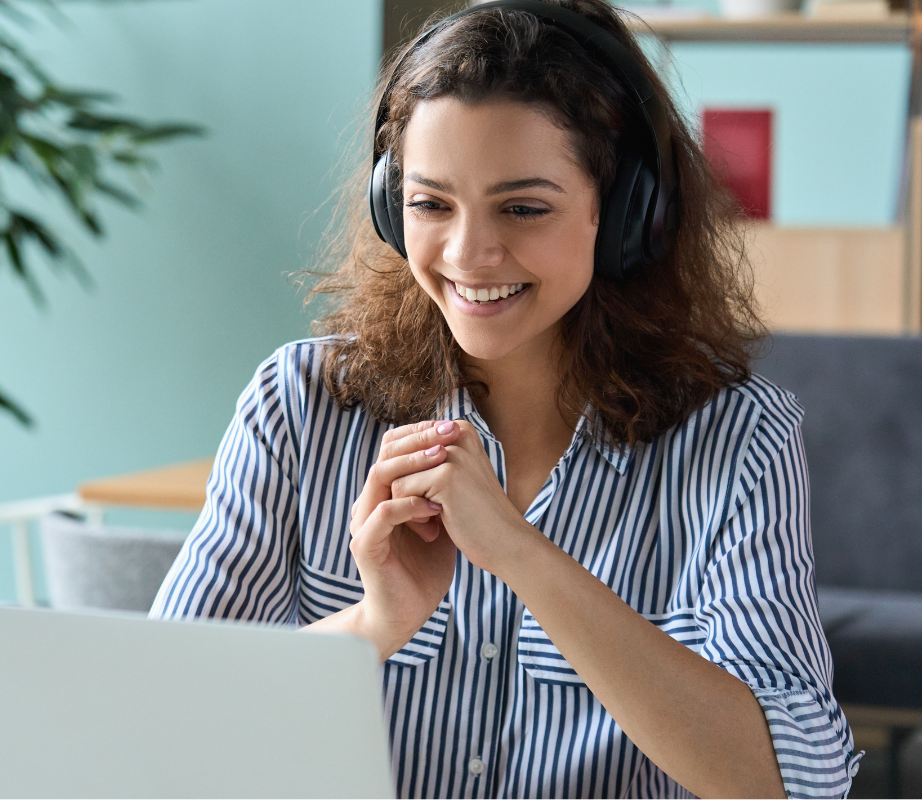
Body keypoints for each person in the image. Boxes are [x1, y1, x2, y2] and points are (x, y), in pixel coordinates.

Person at [150, 1, 858, 797]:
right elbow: (158, 724)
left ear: (626, 214)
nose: (469, 254)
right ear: (391, 205)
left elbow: (792, 780)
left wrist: (521, 556)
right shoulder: (300, 406)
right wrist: (371, 627)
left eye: (523, 208)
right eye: (430, 204)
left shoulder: (736, 440)